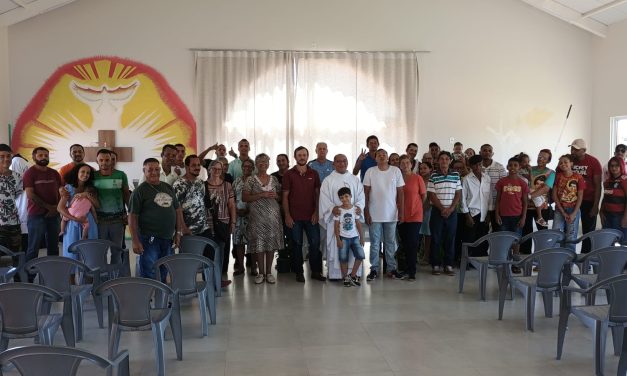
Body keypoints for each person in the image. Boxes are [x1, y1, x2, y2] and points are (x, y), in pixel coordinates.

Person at [129, 158, 183, 281]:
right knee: (149, 271)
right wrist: (135, 241)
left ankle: (161, 298)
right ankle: (148, 298)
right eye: (150, 170)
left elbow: (178, 210)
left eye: (157, 169)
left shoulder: (167, 188)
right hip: (149, 239)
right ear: (144, 171)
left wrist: (178, 232)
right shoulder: (139, 191)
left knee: (165, 270)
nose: (154, 172)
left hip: (168, 238)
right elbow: (132, 216)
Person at [319, 154, 365, 280]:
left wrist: (359, 207)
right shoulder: (328, 180)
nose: (342, 163)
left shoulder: (354, 179)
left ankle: (354, 274)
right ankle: (337, 275)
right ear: (333, 164)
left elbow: (361, 196)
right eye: (338, 161)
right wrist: (331, 208)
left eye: (344, 161)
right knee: (338, 247)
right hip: (337, 219)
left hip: (352, 225)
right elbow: (324, 198)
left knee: (354, 249)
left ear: (347, 162)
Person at [283, 146, 324, 282]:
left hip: (311, 216)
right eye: (299, 155)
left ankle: (316, 271)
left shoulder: (314, 173)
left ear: (307, 156)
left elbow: (318, 195)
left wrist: (316, 212)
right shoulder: (289, 174)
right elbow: (285, 197)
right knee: (296, 244)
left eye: (304, 155)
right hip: (294, 217)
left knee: (315, 243)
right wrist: (287, 216)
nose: (302, 157)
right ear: (295, 157)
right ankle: (298, 272)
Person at [363, 148, 405, 281]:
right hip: (374, 214)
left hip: (391, 213)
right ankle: (374, 269)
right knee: (375, 243)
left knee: (390, 243)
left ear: (388, 158)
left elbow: (400, 193)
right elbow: (365, 193)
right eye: (379, 155)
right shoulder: (370, 171)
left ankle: (391, 269)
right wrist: (366, 212)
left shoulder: (395, 171)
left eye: (384, 154)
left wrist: (401, 211)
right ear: (375, 158)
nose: (382, 156)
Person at [243, 153, 283, 284]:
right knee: (259, 244)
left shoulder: (274, 179)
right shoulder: (251, 180)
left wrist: (275, 195)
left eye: (265, 162)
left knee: (270, 244)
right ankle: (260, 273)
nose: (263, 164)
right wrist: (262, 194)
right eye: (260, 162)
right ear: (256, 164)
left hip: (272, 217)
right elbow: (245, 198)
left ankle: (269, 273)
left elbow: (280, 198)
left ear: (268, 164)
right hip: (257, 218)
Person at [23, 147, 62, 261]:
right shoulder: (29, 173)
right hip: (36, 215)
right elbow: (30, 194)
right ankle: (29, 277)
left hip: (54, 215)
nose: (44, 157)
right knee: (33, 248)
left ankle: (52, 273)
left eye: (46, 155)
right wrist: (49, 208)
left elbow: (60, 191)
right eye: (40, 155)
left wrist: (56, 208)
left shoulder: (54, 173)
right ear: (34, 157)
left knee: (54, 247)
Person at [427, 151, 461, 276]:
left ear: (450, 161)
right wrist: (442, 209)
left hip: (452, 212)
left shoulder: (456, 175)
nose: (444, 161)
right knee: (436, 238)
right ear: (438, 161)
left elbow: (458, 194)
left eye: (447, 159)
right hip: (437, 211)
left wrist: (451, 209)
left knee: (450, 239)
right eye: (442, 159)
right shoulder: (433, 175)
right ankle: (435, 264)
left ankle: (449, 265)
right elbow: (432, 195)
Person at [205, 159, 236, 287]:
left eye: (219, 169)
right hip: (207, 225)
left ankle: (218, 279)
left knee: (220, 252)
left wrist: (233, 223)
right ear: (209, 170)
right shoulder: (202, 185)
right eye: (214, 168)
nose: (217, 171)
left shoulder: (227, 185)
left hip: (223, 224)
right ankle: (208, 280)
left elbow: (232, 206)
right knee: (208, 253)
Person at [495, 157, 529, 272]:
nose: (513, 167)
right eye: (510, 165)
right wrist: (497, 214)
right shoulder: (502, 182)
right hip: (503, 216)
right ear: (507, 167)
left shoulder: (523, 183)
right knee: (504, 240)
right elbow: (498, 200)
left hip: (517, 216)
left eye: (515, 165)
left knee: (516, 240)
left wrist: (524, 217)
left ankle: (515, 263)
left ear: (519, 167)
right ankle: (504, 262)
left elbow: (525, 202)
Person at [58, 163, 99, 258]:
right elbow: (60, 208)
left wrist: (87, 195)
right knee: (72, 252)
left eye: (88, 173)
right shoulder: (68, 188)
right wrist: (75, 219)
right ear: (77, 173)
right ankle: (71, 272)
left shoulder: (91, 189)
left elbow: (97, 205)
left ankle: (89, 272)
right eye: (83, 172)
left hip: (88, 222)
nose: (85, 175)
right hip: (72, 223)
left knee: (90, 252)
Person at [93, 149, 130, 252]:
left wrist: (129, 213)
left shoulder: (121, 175)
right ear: (97, 161)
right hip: (99, 221)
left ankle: (116, 269)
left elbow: (126, 195)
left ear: (111, 161)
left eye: (107, 160)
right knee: (101, 251)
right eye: (101, 160)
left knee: (117, 251)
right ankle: (102, 269)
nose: (104, 163)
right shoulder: (93, 176)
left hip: (117, 220)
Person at [520, 149, 556, 254]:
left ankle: (541, 257)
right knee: (526, 232)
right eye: (540, 156)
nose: (541, 159)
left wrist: (530, 196)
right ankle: (525, 257)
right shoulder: (528, 169)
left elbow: (545, 189)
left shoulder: (551, 173)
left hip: (542, 206)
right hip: (526, 206)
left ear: (548, 161)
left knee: (542, 233)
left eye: (544, 158)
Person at [569, 139, 602, 253]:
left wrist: (595, 205)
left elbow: (598, 186)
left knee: (588, 231)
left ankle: (585, 257)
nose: (573, 151)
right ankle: (568, 256)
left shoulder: (593, 162)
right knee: (569, 230)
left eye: (576, 149)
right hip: (571, 201)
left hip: (588, 201)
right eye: (572, 148)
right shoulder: (568, 160)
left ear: (584, 150)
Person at [398, 154, 426, 281]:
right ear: (399, 165)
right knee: (404, 244)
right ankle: (405, 268)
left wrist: (417, 208)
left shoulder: (417, 178)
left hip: (415, 215)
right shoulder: (396, 178)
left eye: (407, 162)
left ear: (411, 164)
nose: (405, 165)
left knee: (413, 243)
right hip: (400, 216)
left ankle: (412, 272)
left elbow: (423, 196)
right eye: (402, 163)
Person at [552, 154, 585, 251]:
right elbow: (554, 195)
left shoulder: (578, 178)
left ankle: (569, 261)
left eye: (565, 162)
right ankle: (556, 257)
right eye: (560, 163)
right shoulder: (557, 177)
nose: (563, 164)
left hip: (573, 209)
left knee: (571, 236)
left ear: (571, 163)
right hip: (560, 209)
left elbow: (580, 196)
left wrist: (574, 213)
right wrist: (562, 212)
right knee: (556, 233)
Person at [460, 155, 491, 257]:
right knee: (469, 238)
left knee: (483, 237)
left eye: (480, 164)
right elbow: (463, 199)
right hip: (472, 213)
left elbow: (489, 197)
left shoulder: (487, 178)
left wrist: (488, 214)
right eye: (475, 165)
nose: (478, 167)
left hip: (484, 213)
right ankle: (466, 261)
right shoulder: (466, 179)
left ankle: (481, 259)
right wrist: (467, 216)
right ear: (471, 166)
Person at [334, 187, 365, 287]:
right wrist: (338, 240)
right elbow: (336, 226)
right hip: (343, 238)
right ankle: (345, 278)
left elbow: (358, 223)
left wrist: (362, 237)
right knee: (343, 258)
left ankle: (352, 275)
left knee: (360, 255)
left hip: (355, 237)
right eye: (341, 198)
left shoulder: (355, 209)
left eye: (346, 196)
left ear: (351, 196)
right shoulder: (339, 210)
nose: (344, 199)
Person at [172, 155, 209, 237]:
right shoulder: (179, 184)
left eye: (198, 165)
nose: (197, 167)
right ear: (186, 167)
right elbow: (177, 208)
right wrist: (183, 227)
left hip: (203, 228)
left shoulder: (201, 182)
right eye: (193, 165)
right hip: (188, 230)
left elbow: (202, 203)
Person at [308, 142, 334, 261]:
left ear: (327, 151)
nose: (322, 151)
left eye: (324, 149)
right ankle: (314, 253)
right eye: (320, 149)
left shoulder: (333, 165)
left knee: (328, 230)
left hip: (329, 202)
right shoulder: (311, 165)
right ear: (316, 150)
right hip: (313, 200)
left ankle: (327, 254)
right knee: (315, 229)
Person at [232, 159, 254, 275]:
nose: (247, 168)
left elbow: (257, 198)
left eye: (250, 167)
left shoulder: (255, 181)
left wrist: (248, 210)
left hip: (252, 215)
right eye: (245, 166)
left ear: (253, 168)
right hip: (238, 215)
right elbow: (232, 198)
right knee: (239, 242)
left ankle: (254, 268)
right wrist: (236, 210)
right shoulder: (236, 182)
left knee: (253, 242)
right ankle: (240, 267)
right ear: (242, 168)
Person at [0, 144, 23, 253]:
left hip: (13, 223)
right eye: (2, 156)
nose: (6, 159)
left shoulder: (17, 176)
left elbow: (17, 196)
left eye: (8, 156)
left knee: (16, 256)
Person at [480, 144, 507, 232]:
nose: (487, 152)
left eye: (489, 151)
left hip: (496, 205)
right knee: (483, 231)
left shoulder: (499, 167)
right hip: (481, 205)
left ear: (493, 153)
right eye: (484, 150)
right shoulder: (477, 167)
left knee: (497, 230)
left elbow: (504, 186)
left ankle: (495, 246)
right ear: (480, 152)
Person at [600, 156, 627, 241]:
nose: (614, 168)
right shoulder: (608, 181)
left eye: (617, 166)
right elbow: (605, 198)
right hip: (607, 215)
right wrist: (601, 212)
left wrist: (625, 218)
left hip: (620, 216)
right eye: (611, 166)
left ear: (621, 166)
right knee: (607, 241)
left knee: (623, 242)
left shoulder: (625, 180)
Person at [10, 152, 29, 256]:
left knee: (19, 244)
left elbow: (16, 185)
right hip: (25, 206)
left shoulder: (16, 161)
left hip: (20, 207)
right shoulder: (25, 162)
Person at [418, 162, 434, 265]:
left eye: (425, 168)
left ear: (431, 169)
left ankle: (427, 256)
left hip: (429, 209)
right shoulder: (418, 179)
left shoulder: (433, 181)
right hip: (418, 209)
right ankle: (417, 254)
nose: (422, 170)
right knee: (418, 233)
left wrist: (427, 205)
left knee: (428, 234)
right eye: (421, 168)